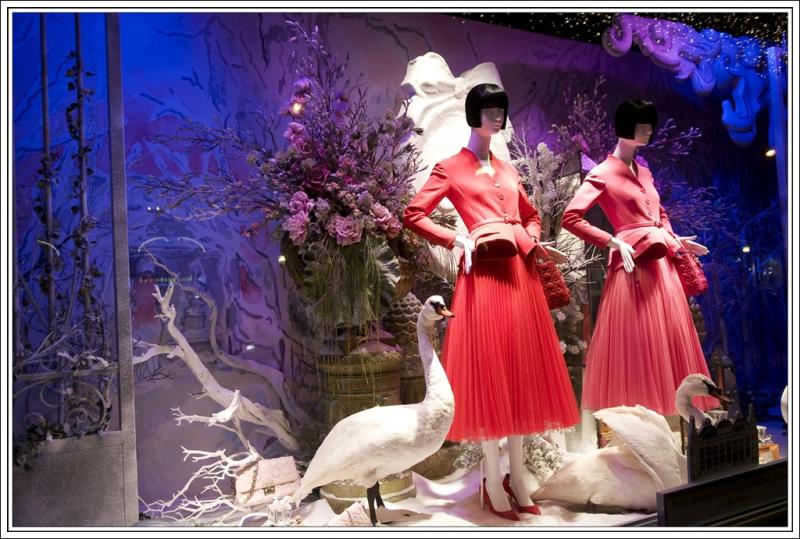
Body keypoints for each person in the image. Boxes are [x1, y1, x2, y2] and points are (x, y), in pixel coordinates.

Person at [403, 83, 579, 520]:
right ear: (473, 113)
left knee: (519, 370)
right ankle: (492, 478)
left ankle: (517, 477)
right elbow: (414, 214)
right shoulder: (450, 168)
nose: (497, 116)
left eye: (501, 108)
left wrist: (531, 240)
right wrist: (456, 238)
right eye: (489, 109)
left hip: (520, 276)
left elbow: (531, 215)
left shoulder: (508, 169)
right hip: (482, 276)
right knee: (489, 371)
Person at [562, 98, 719, 417]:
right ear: (625, 127)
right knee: (640, 342)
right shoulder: (603, 173)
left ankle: (673, 420)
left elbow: (660, 213)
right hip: (633, 266)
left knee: (668, 339)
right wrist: (611, 241)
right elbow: (571, 217)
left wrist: (675, 239)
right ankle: (643, 421)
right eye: (642, 125)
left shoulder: (644, 171)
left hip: (662, 266)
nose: (648, 131)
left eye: (650, 125)